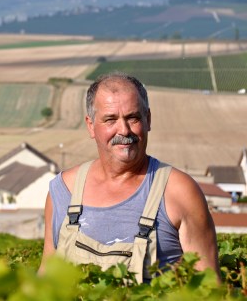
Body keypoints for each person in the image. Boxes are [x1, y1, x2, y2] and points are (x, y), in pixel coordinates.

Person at [39, 72, 220, 283]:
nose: (123, 130)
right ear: (91, 126)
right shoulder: (63, 191)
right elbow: (46, 277)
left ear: (148, 120)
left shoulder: (179, 191)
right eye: (110, 119)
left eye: (133, 118)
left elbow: (209, 287)